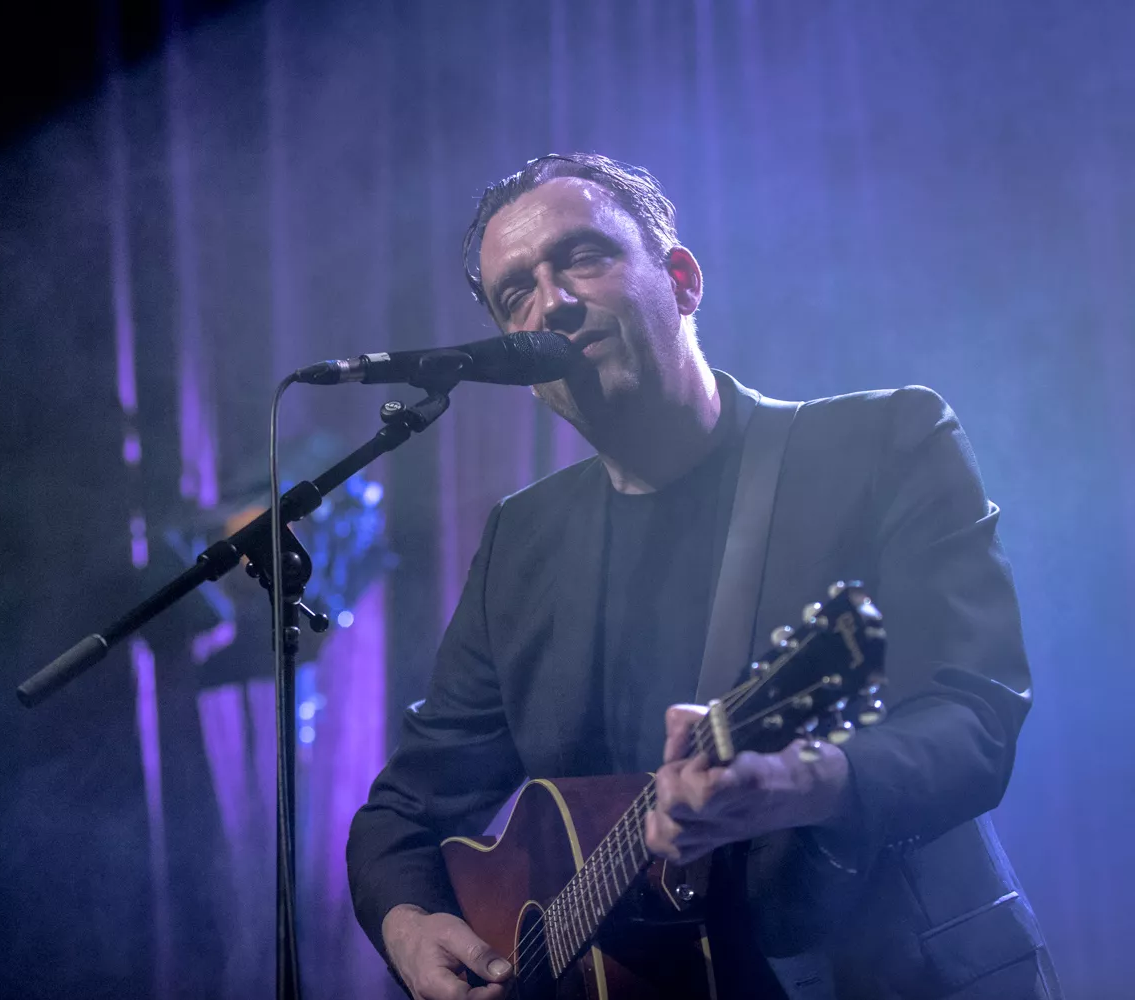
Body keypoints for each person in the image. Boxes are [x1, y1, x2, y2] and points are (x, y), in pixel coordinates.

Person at [346, 154, 1060, 1000]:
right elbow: (402, 816)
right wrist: (410, 925)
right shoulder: (522, 542)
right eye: (517, 296)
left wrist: (804, 782)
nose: (554, 303)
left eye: (583, 257)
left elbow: (974, 718)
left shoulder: (882, 445)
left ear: (680, 280)